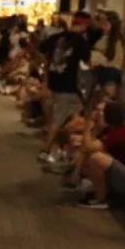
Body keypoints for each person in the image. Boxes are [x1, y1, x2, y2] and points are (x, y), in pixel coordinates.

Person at [36, 11, 92, 161]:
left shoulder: (57, 37)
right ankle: (47, 149)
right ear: (84, 25)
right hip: (69, 85)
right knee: (60, 118)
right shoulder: (81, 41)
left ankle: (61, 148)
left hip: (54, 82)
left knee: (71, 115)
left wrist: (48, 68)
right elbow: (87, 63)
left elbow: (39, 50)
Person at [78, 102, 125, 209]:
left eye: (100, 112)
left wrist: (88, 124)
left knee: (97, 159)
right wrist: (95, 128)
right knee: (89, 158)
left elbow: (87, 146)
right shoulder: (110, 130)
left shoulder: (120, 133)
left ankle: (100, 199)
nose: (96, 114)